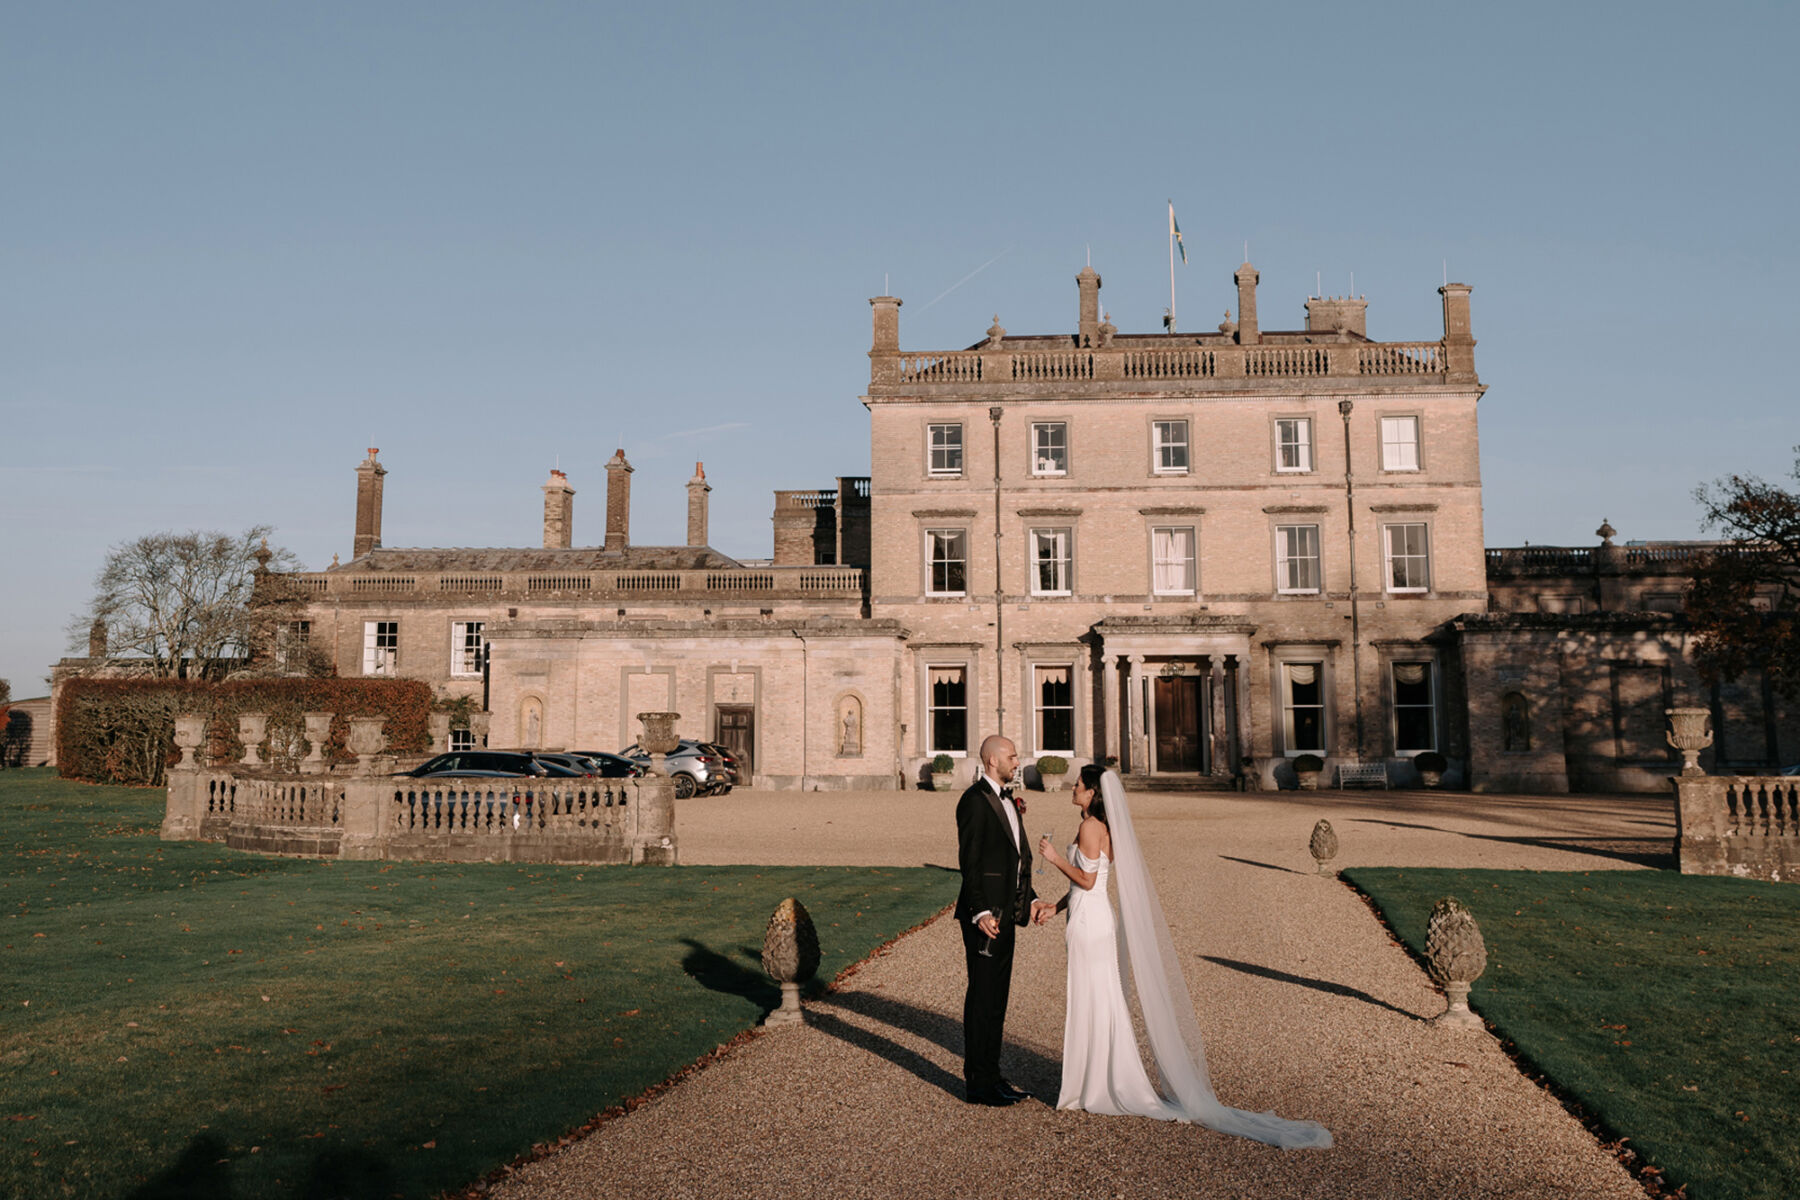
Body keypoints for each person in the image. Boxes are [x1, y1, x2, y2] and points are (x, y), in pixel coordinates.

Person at [1035, 764, 1332, 1148]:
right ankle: (1099, 1079)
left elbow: (1088, 881)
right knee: (1101, 999)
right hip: (1092, 916)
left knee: (1093, 998)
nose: (1072, 788)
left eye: (1078, 785)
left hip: (1090, 925)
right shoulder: (1105, 829)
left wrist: (1054, 857)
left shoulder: (1091, 827)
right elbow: (1092, 885)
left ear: (1092, 792)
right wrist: (1055, 909)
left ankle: (1094, 1085)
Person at [954, 734, 1054, 1106]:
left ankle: (992, 1075)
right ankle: (978, 1084)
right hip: (986, 918)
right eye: (1012, 756)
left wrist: (1029, 899)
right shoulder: (974, 802)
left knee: (997, 1000)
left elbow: (1015, 860)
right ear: (993, 760)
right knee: (982, 999)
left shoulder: (1009, 800)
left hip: (1007, 914)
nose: (1018, 761)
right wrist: (979, 911)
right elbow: (972, 861)